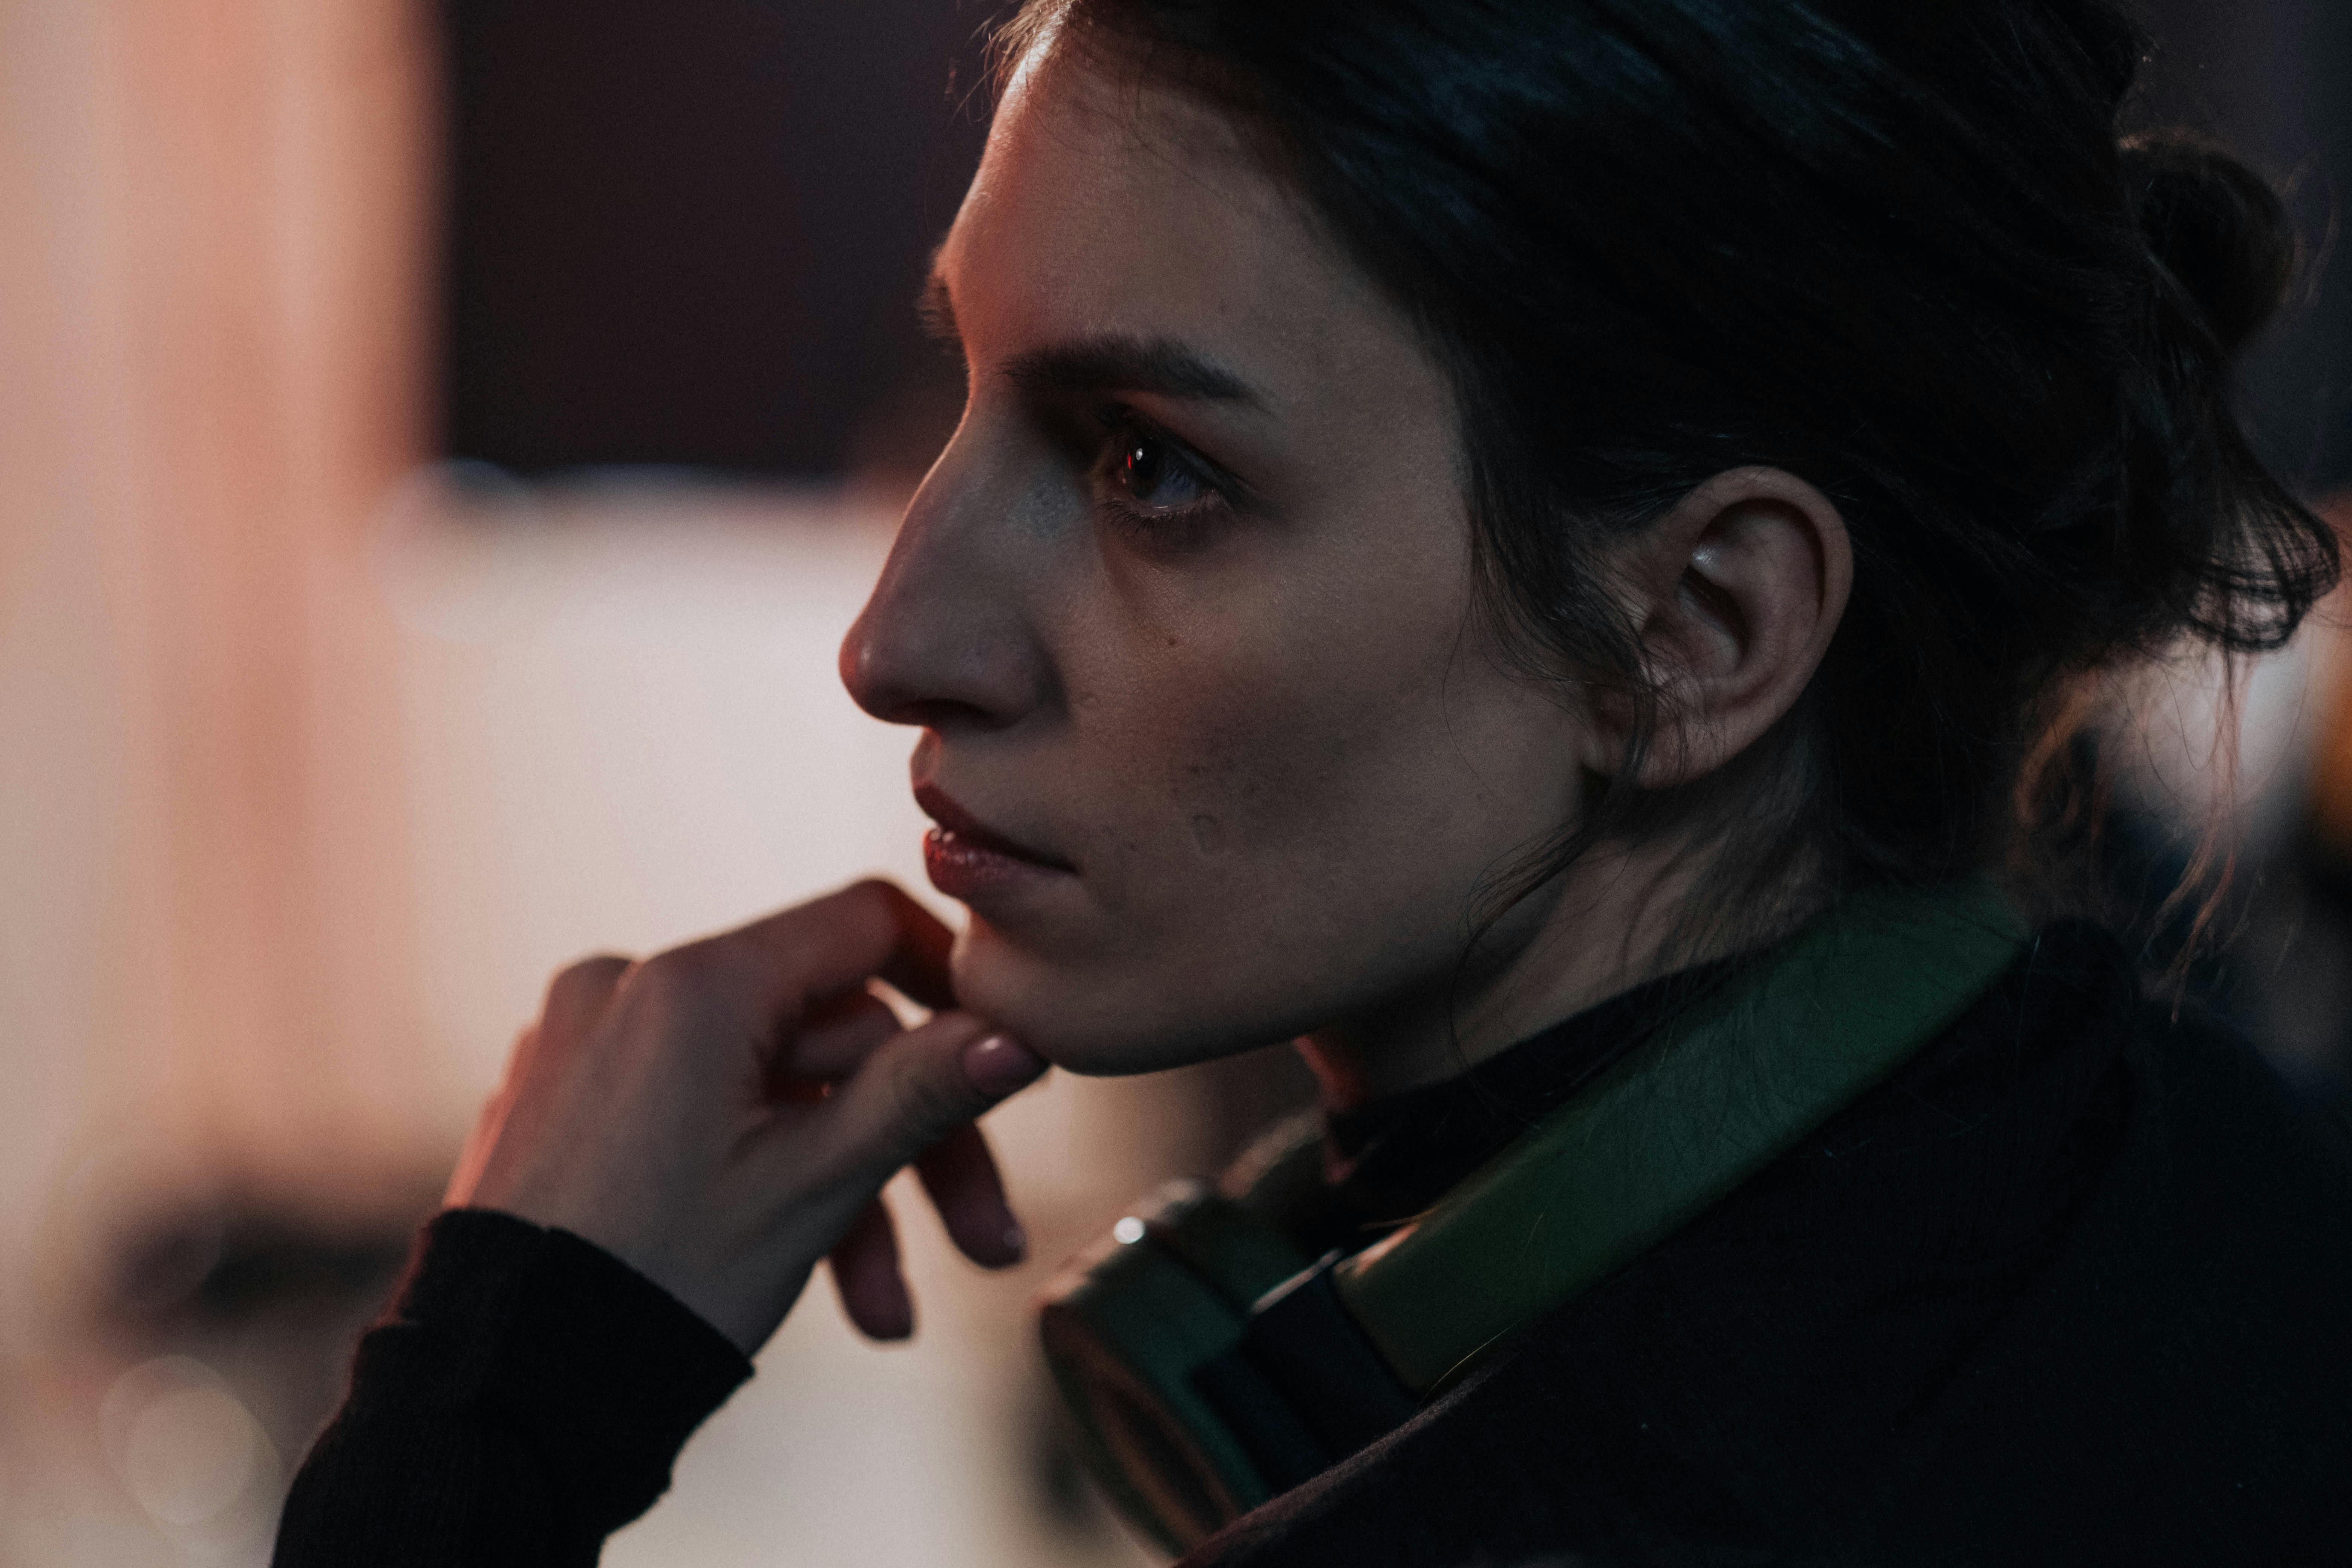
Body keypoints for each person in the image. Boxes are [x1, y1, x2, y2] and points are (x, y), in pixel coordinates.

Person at [274, 0, 2352, 1563]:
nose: (897, 636)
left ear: (1697, 630)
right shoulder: (2234, 1237)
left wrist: (499, 1400)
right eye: (968, 397)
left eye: (1151, 468)